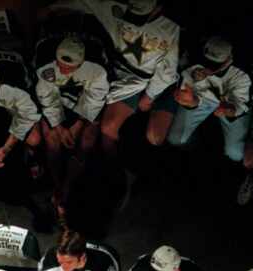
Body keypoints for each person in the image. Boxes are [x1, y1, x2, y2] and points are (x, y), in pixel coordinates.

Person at [49, 0, 179, 156]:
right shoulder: (118, 8)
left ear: (158, 8)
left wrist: (150, 95)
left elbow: (168, 71)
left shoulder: (170, 29)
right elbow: (88, 3)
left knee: (109, 129)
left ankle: (122, 165)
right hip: (109, 69)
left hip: (137, 80)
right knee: (84, 120)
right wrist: (52, 8)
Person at [35, 36, 110, 212]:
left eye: (70, 67)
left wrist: (78, 125)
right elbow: (47, 98)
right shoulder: (45, 67)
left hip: (84, 105)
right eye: (61, 65)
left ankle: (69, 185)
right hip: (58, 104)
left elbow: (95, 98)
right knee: (52, 139)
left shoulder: (97, 69)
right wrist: (59, 127)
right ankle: (57, 184)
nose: (64, 69)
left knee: (87, 140)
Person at [166, 36, 252, 163]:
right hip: (203, 97)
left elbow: (241, 105)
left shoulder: (245, 69)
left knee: (235, 154)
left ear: (229, 59)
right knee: (175, 139)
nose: (209, 69)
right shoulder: (192, 56)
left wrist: (228, 109)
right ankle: (194, 150)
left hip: (231, 103)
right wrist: (191, 101)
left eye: (215, 65)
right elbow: (189, 92)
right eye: (208, 62)